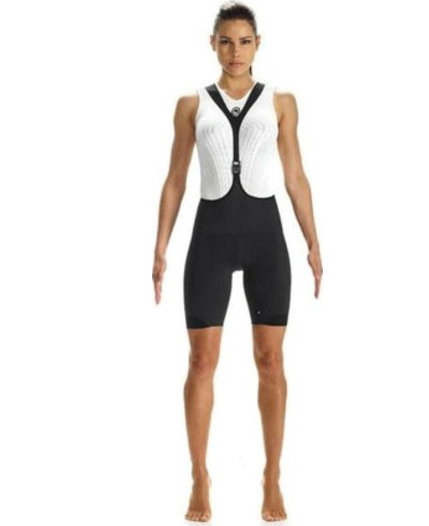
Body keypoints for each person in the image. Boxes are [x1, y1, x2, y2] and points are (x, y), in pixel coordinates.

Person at [149, 2, 322, 522]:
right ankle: (199, 477)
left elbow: (295, 177)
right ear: (213, 44)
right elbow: (176, 179)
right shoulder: (191, 105)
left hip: (266, 241)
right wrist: (159, 247)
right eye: (226, 41)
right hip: (211, 240)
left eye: (244, 41)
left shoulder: (281, 103)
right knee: (201, 363)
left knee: (271, 362)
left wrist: (313, 242)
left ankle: (272, 476)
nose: (235, 51)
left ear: (257, 44)